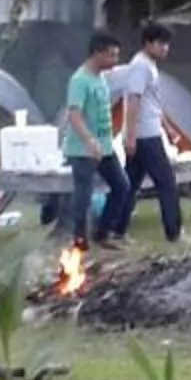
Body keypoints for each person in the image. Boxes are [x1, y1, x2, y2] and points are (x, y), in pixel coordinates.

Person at [106, 22, 182, 244]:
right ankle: (173, 231)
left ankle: (116, 230)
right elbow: (133, 100)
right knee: (166, 181)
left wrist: (167, 127)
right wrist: (130, 136)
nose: (165, 48)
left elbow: (152, 104)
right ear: (148, 43)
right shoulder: (140, 66)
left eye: (167, 44)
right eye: (161, 43)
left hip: (147, 131)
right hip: (145, 135)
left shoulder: (149, 66)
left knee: (130, 184)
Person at [59, 29, 130, 248]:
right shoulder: (80, 80)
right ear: (97, 53)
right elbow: (74, 114)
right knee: (84, 195)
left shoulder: (101, 79)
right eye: (111, 55)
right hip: (83, 150)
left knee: (122, 186)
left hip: (105, 147)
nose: (115, 60)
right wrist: (89, 140)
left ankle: (103, 233)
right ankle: (79, 241)